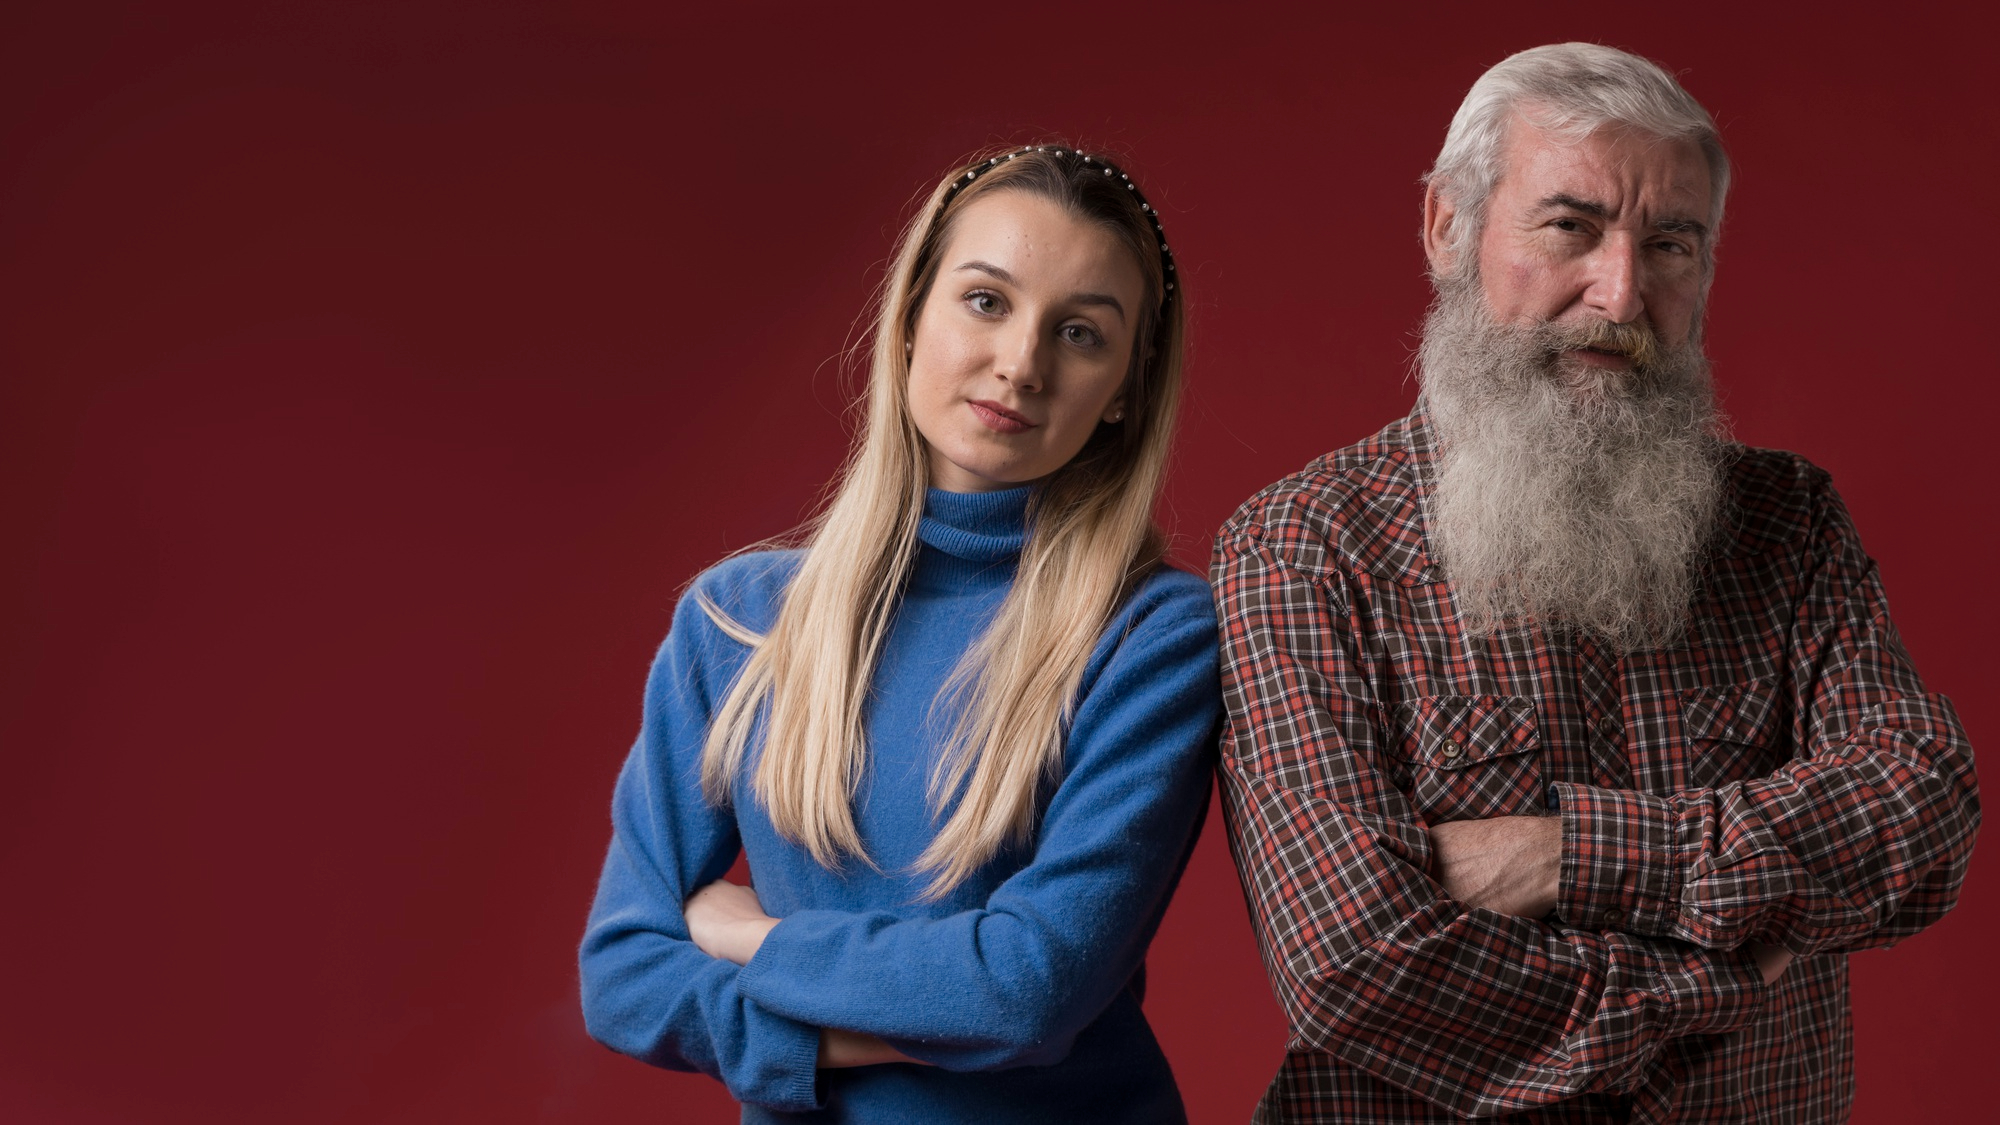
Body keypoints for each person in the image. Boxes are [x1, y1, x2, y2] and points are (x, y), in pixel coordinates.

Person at [1214, 43, 1979, 1123]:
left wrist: (1569, 855)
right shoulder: (1302, 548)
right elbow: (1358, 960)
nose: (1619, 291)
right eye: (1568, 226)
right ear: (1447, 228)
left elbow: (1918, 809)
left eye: (1669, 243)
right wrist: (1721, 978)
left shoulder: (1786, 522)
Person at [579, 144, 1219, 1122]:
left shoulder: (1151, 638)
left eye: (1081, 334)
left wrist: (759, 938)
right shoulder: (736, 623)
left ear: (1124, 391)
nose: (1021, 363)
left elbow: (1025, 990)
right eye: (985, 301)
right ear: (912, 316)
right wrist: (846, 1033)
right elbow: (623, 972)